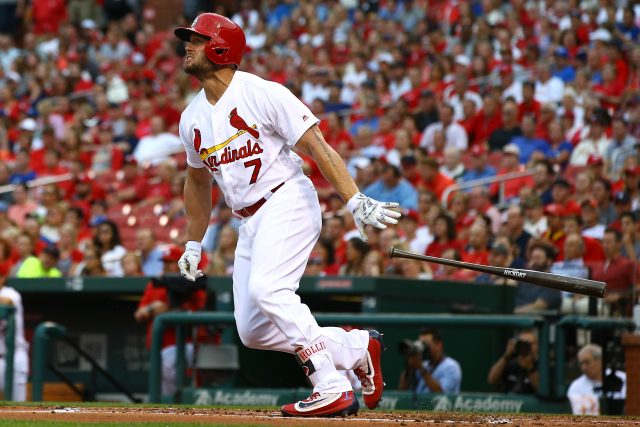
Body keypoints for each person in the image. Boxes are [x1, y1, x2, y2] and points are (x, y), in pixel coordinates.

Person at [173, 13, 401, 417]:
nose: (187, 45)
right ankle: (358, 348)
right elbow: (196, 182)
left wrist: (354, 199)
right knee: (254, 330)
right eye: (188, 39)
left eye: (197, 39)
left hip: (287, 199)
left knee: (269, 291)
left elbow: (315, 145)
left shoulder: (262, 93)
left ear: (222, 48)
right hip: (248, 219)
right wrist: (194, 240)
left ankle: (331, 385)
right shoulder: (191, 117)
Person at [134, 246, 207, 397]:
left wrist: (168, 309)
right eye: (164, 262)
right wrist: (152, 309)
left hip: (185, 344)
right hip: (158, 345)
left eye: (171, 262)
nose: (166, 266)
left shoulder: (192, 283)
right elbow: (139, 314)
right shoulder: (156, 283)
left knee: (180, 384)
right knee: (160, 388)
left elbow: (198, 311)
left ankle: (175, 408)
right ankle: (167, 413)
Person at [567, 344, 626, 415]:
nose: (583, 368)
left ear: (600, 361)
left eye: (587, 362)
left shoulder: (623, 379)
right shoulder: (576, 387)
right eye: (581, 364)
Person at [398, 328, 462, 394]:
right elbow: (402, 390)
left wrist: (421, 368)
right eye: (421, 344)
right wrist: (408, 367)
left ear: (438, 345)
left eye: (425, 344)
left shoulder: (451, 367)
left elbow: (441, 394)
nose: (423, 348)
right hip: (419, 404)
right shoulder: (424, 364)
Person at [0, 264, 29, 401]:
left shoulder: (11, 294)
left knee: (18, 404)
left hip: (15, 355)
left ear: (3, 278)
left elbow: (8, 302)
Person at [514, 242, 562, 314]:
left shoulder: (552, 282)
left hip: (538, 321)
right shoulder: (524, 279)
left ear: (549, 261)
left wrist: (512, 312)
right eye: (533, 258)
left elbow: (539, 306)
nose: (534, 262)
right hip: (515, 320)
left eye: (538, 258)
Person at [487, 329, 539, 394]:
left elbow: (541, 390)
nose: (525, 347)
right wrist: (506, 356)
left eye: (530, 344)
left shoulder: (543, 366)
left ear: (538, 345)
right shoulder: (511, 364)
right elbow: (492, 380)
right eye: (522, 344)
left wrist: (530, 368)